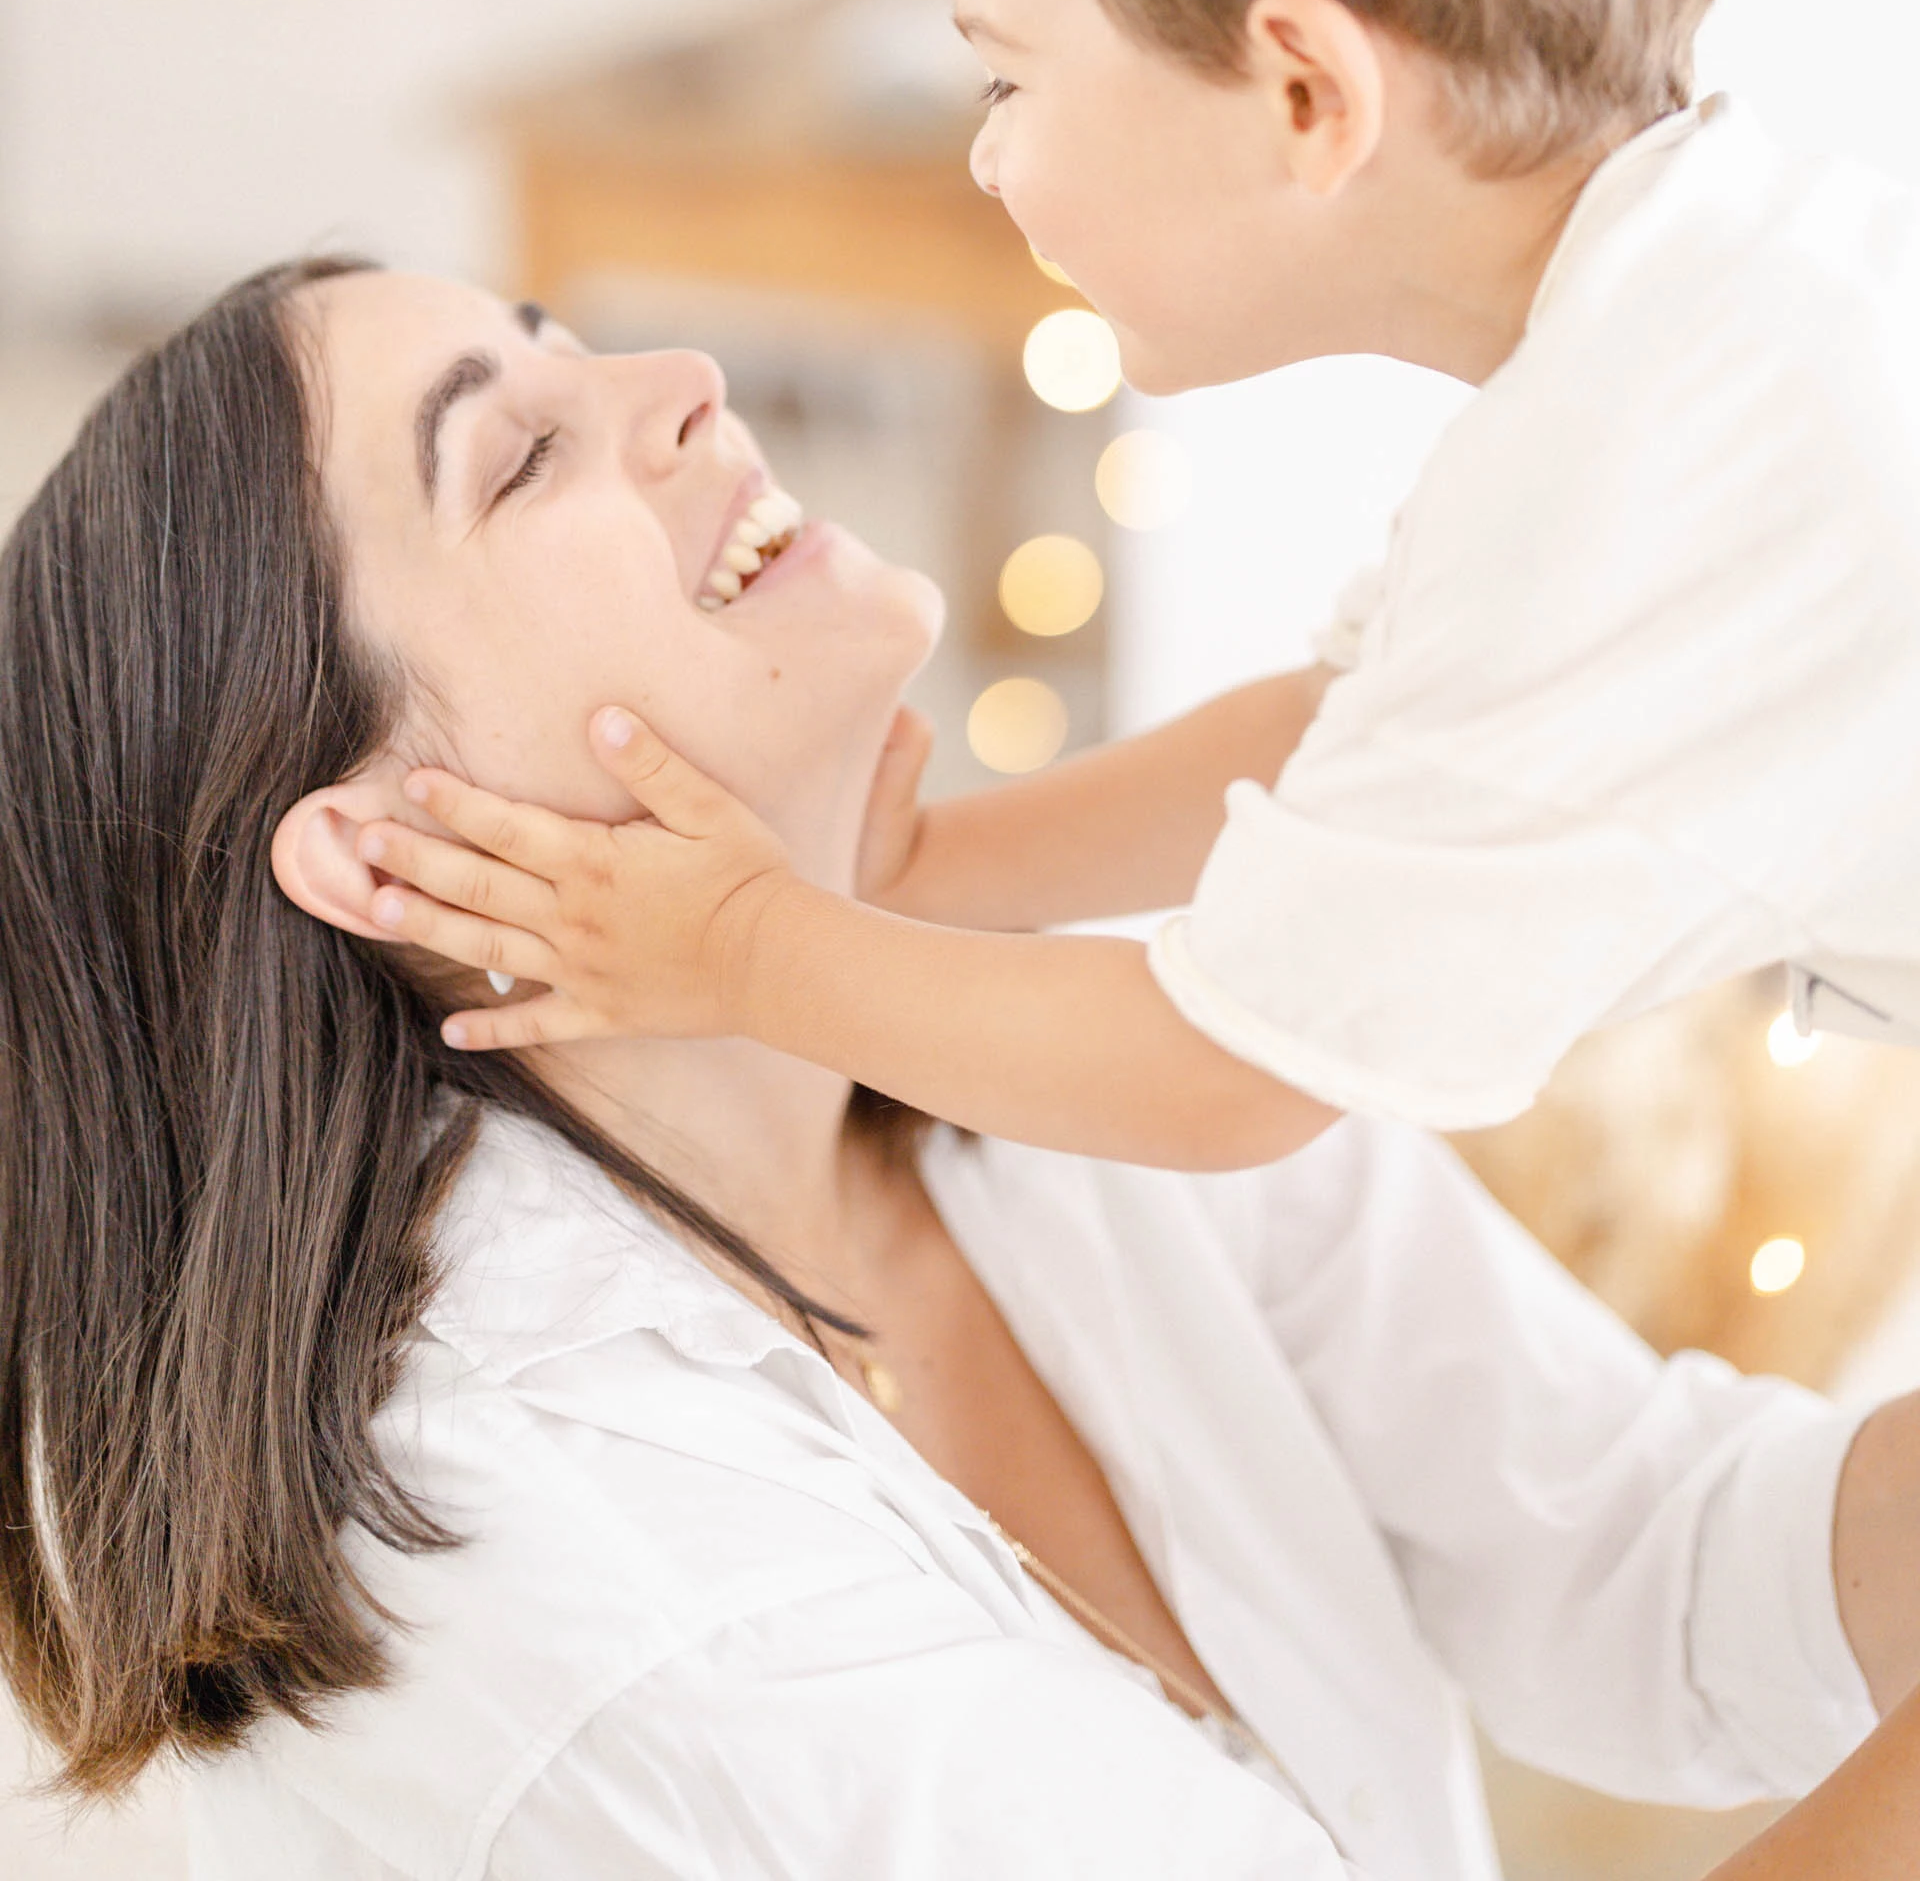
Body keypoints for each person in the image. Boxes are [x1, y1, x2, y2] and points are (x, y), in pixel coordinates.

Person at [3, 259, 1917, 1878]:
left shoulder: (1049, 1078)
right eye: (518, 457)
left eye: (567, 343)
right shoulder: (565, 1532)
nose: (681, 386)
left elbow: (1646, 1556)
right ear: (379, 842)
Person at [362, 0, 1920, 1173]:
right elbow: (1349, 725)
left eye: (1008, 73)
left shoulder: (1628, 496)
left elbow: (1221, 1074)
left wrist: (743, 948)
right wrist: (927, 870)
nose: (986, 153)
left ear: (1307, 93)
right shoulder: (1698, 328)